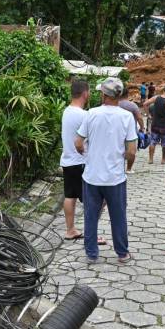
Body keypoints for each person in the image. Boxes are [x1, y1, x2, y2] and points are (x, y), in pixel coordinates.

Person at [74, 77, 138, 264]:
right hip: (115, 178)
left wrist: (87, 154)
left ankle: (92, 254)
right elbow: (132, 151)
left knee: (91, 215)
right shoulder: (126, 117)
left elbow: (78, 142)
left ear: (104, 94)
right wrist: (121, 159)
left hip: (92, 176)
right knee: (118, 216)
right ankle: (122, 253)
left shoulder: (91, 114)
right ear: (118, 96)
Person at [59, 78, 89, 240]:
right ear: (85, 93)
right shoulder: (84, 115)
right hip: (81, 161)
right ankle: (92, 232)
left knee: (70, 196)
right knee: (93, 199)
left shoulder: (67, 111)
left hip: (68, 160)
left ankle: (70, 229)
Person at [144, 84, 165, 164]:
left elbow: (145, 104)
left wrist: (148, 115)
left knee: (153, 141)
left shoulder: (156, 97)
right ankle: (163, 159)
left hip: (155, 124)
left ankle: (150, 159)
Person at [119, 86, 145, 173]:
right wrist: (142, 128)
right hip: (131, 132)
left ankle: (119, 167)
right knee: (132, 151)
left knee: (118, 151)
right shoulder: (132, 105)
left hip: (118, 132)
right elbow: (139, 118)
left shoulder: (116, 104)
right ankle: (129, 169)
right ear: (127, 94)